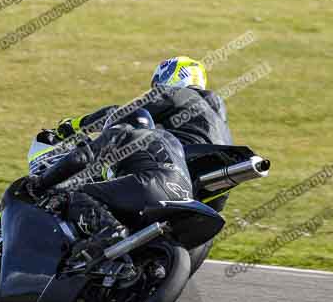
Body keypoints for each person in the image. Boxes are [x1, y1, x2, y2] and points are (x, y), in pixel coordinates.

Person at [54, 56, 233, 210]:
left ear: (170, 75)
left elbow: (122, 112)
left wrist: (76, 124)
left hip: (176, 166)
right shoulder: (216, 116)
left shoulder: (176, 93)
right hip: (211, 185)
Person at [24, 108, 194, 259]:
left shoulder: (124, 129)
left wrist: (42, 181)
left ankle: (110, 232)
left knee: (73, 193)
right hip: (185, 197)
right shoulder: (170, 141)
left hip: (150, 186)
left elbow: (82, 157)